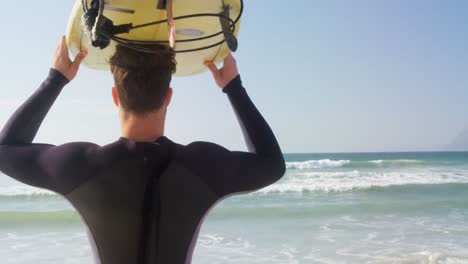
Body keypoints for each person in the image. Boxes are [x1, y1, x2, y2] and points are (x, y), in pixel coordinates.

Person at [0, 36, 286, 264]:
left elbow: (7, 149)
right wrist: (233, 87)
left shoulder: (81, 167)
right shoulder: (202, 165)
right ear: (169, 97)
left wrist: (55, 79)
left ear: (115, 96)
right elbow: (272, 163)